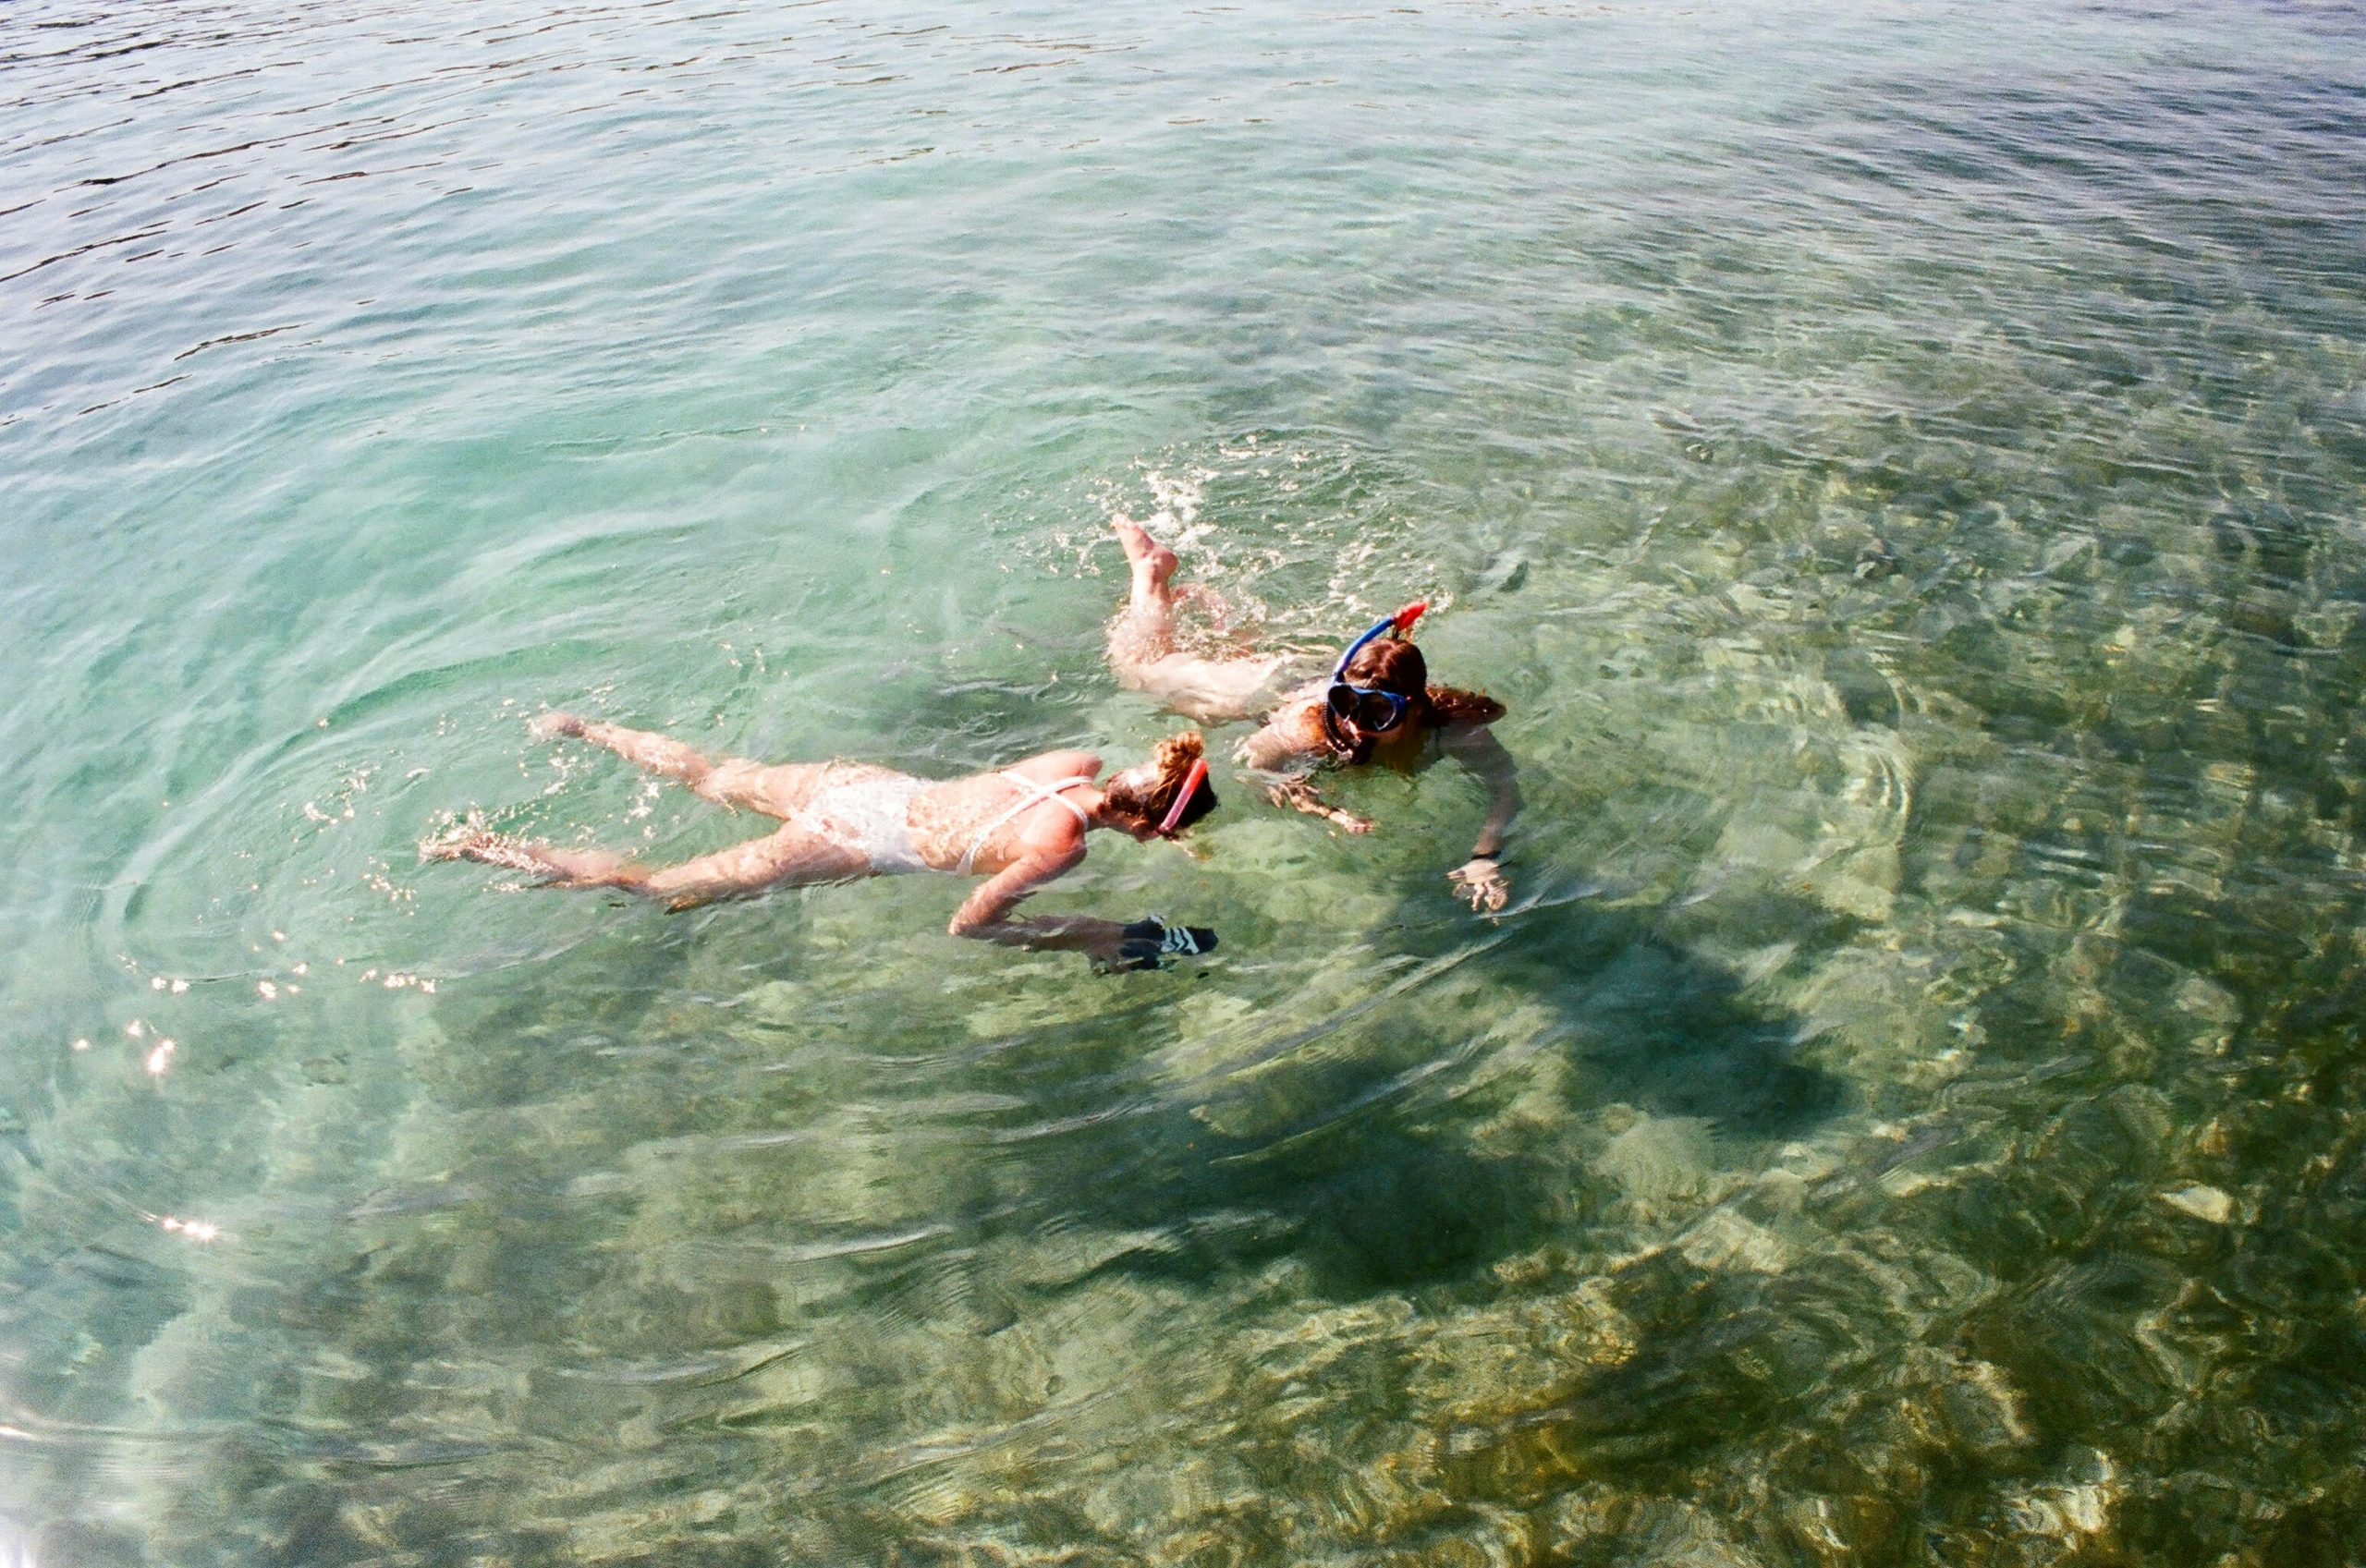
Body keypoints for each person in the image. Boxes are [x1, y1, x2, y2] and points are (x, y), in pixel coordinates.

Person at [424, 713, 1219, 969]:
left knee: (710, 773)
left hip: (866, 785)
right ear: (1151, 827)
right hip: (852, 836)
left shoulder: (1072, 765)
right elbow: (969, 922)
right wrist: (1086, 935)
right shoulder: (1063, 845)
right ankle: (486, 846)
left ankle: (580, 726)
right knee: (658, 884)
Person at [1106, 517, 1519, 912]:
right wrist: (1308, 799)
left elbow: (1505, 786)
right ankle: (1150, 569)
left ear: (1411, 707)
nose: (1355, 724)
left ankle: (1223, 626)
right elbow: (1257, 762)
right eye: (1345, 705)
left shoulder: (1452, 728)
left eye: (1377, 714)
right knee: (1138, 671)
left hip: (1306, 680)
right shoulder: (1310, 727)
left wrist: (1485, 856)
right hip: (1273, 690)